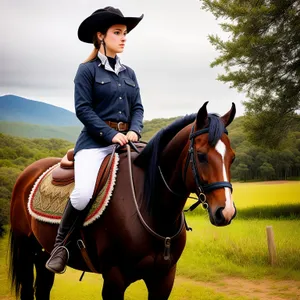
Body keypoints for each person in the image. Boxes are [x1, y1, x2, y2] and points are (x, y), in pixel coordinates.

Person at [45, 6, 144, 274]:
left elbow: (138, 107)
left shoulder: (129, 73)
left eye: (125, 33)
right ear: (101, 36)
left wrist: (134, 129)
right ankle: (60, 246)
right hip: (94, 144)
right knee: (84, 191)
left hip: (127, 141)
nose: (123, 38)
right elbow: (83, 109)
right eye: (117, 32)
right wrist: (112, 134)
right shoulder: (86, 71)